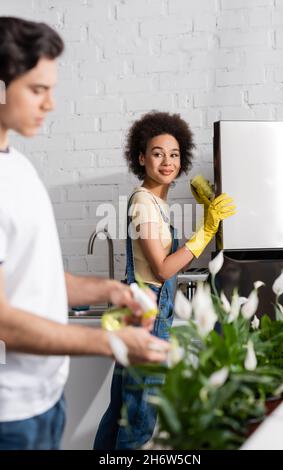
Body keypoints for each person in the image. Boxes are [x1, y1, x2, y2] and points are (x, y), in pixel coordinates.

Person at [0, 17, 170, 451]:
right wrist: (111, 341)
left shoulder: (17, 166)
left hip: (45, 402)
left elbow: (32, 283)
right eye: (37, 89)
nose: (51, 104)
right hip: (9, 416)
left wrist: (111, 290)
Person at [94, 111, 236, 450]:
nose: (167, 161)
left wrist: (205, 218)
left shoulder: (155, 202)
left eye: (174, 154)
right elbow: (162, 268)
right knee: (140, 417)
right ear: (141, 158)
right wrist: (206, 231)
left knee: (121, 410)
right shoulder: (143, 203)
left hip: (141, 311)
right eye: (157, 153)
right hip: (150, 315)